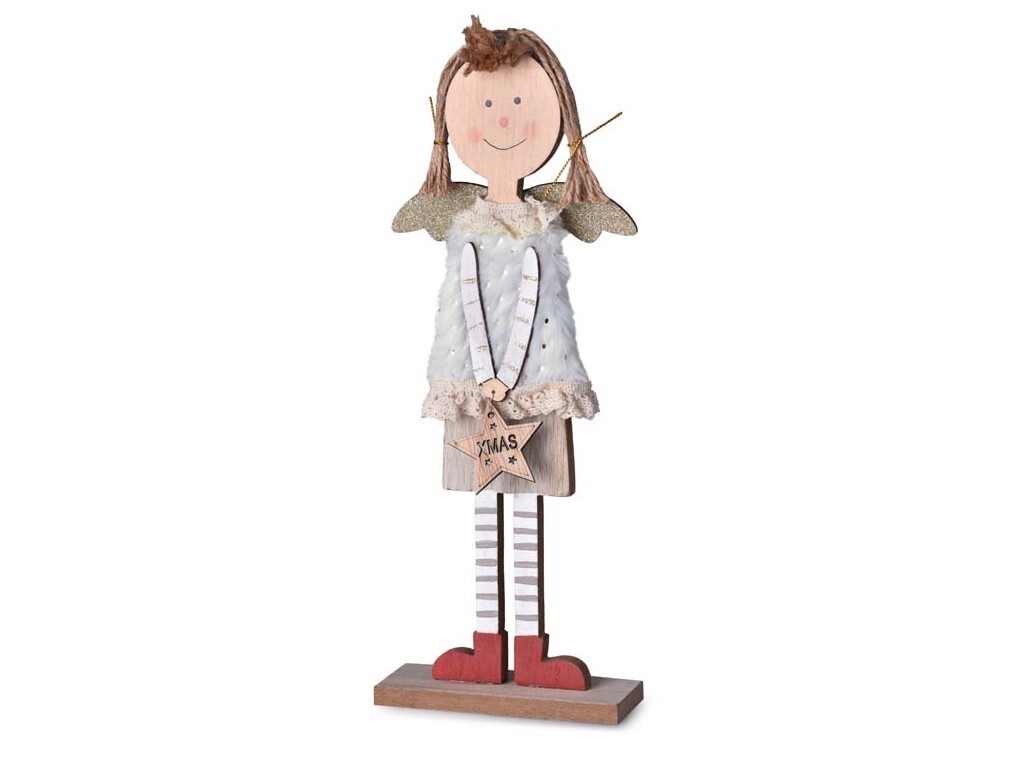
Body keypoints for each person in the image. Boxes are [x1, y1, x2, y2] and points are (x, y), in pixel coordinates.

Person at [393, 16, 635, 690]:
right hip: (470, 388)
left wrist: (511, 374)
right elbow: (464, 300)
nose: (502, 118)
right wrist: (480, 374)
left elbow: (537, 301)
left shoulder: (543, 227)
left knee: (526, 503)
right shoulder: (462, 225)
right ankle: (485, 646)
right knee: (482, 505)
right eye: (488, 104)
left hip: (536, 385)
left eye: (520, 102)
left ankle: (528, 651)